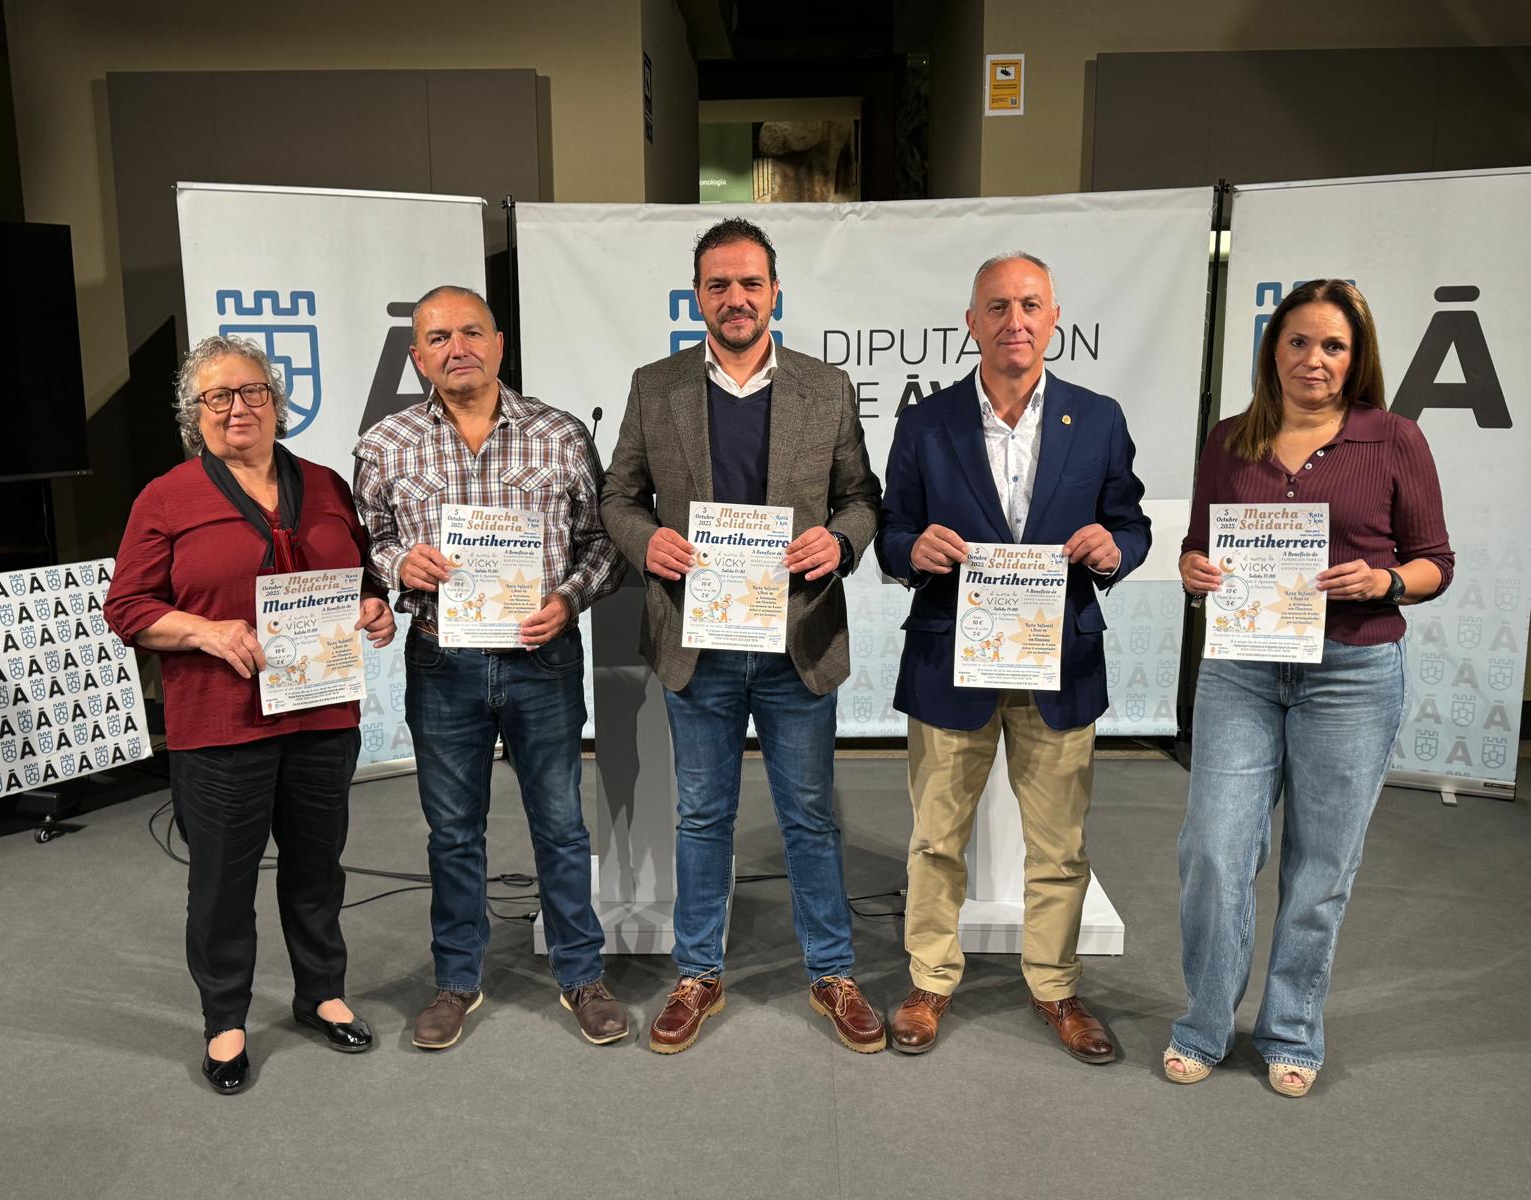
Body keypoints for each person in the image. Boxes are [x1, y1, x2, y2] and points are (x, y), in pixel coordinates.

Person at [601, 217, 885, 1054]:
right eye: (718, 285)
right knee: (701, 816)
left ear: (774, 293)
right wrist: (643, 539)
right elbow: (618, 496)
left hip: (798, 640)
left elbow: (862, 498)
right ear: (698, 297)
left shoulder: (822, 387)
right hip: (699, 643)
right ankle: (699, 974)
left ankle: (831, 971)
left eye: (750, 283)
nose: (735, 298)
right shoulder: (656, 387)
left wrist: (839, 542)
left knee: (807, 815)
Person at [1167, 279, 1452, 1096]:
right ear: (1274, 350)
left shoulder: (1394, 440)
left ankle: (1291, 1028)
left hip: (1354, 675)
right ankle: (1207, 1021)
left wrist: (1386, 581)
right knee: (1216, 852)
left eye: (1332, 345)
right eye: (1299, 342)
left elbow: (1437, 561)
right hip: (1243, 670)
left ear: (1356, 357)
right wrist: (1194, 571)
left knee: (1321, 865)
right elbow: (1198, 548)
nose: (1314, 360)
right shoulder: (1231, 439)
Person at [875, 252, 1150, 1061]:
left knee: (1060, 845)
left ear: (1054, 317)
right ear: (971, 324)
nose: (1014, 321)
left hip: (1059, 659)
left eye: (1030, 305)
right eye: (997, 307)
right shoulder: (926, 423)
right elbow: (892, 530)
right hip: (948, 661)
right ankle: (929, 981)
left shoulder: (1097, 418)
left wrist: (1113, 548)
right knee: (935, 838)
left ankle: (1056, 988)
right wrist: (910, 548)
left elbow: (1129, 524)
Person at [105, 335, 396, 1095]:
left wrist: (373, 604)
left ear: (277, 399)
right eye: (218, 397)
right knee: (223, 880)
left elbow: (361, 572)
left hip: (321, 715)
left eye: (253, 391)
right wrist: (206, 632)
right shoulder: (166, 497)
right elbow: (128, 608)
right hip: (220, 723)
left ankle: (320, 992)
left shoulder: (328, 484)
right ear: (193, 413)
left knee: (316, 868)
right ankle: (226, 1018)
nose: (239, 408)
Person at [353, 285, 629, 1051]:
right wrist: (399, 562)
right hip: (444, 662)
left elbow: (603, 544)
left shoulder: (562, 436)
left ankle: (581, 976)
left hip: (542, 658)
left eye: (470, 332)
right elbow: (367, 543)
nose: (456, 348)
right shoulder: (386, 445)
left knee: (562, 827)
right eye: (437, 338)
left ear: (499, 343)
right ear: (417, 356)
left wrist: (569, 602)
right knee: (453, 833)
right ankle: (456, 980)